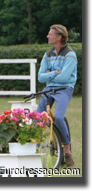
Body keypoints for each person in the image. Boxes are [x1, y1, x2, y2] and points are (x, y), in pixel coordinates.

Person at [37, 24, 77, 167]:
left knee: (58, 117)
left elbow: (66, 77)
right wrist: (55, 73)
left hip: (64, 88)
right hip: (49, 88)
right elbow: (40, 78)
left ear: (59, 37)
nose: (47, 36)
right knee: (37, 116)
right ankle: (35, 146)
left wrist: (49, 75)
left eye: (50, 34)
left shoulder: (70, 55)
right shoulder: (47, 54)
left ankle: (66, 151)